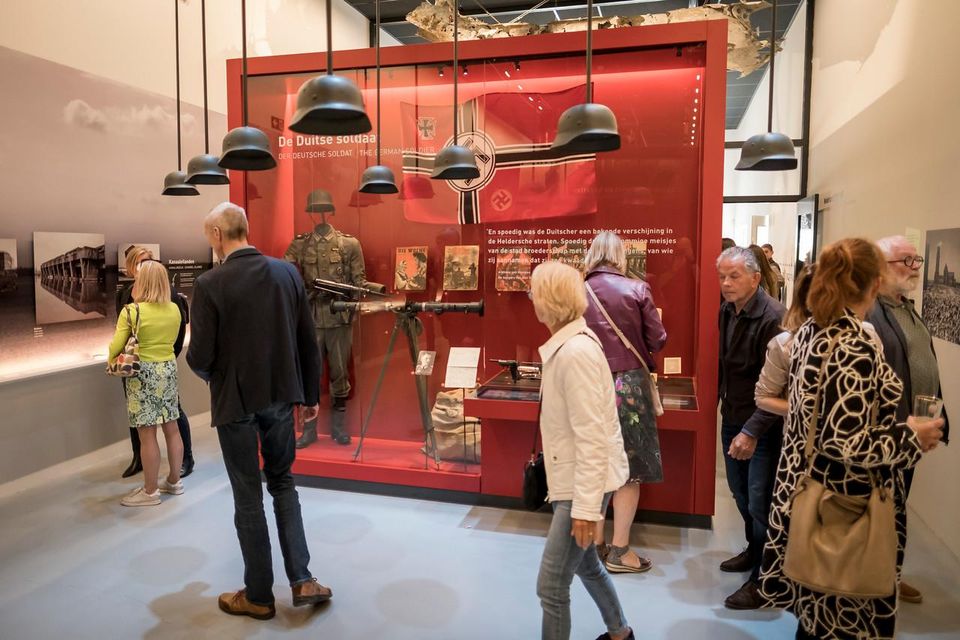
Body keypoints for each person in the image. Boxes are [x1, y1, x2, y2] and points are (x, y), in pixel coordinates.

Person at [758, 238, 944, 640]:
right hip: (844, 510)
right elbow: (845, 442)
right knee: (841, 621)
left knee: (816, 620)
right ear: (876, 282)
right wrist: (911, 437)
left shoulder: (813, 331)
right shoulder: (852, 344)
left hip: (811, 496)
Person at [187, 202, 331, 620]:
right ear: (244, 229)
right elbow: (307, 340)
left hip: (235, 402)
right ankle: (302, 579)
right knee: (283, 482)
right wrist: (309, 395)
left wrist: (217, 377)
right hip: (281, 396)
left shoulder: (210, 283)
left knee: (247, 494)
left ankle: (258, 596)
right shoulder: (287, 273)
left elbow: (200, 356)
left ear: (217, 235)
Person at [531, 260, 634, 640]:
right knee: (586, 565)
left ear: (547, 300)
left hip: (581, 486)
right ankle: (620, 633)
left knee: (551, 586)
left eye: (534, 291)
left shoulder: (574, 353)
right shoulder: (570, 346)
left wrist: (587, 509)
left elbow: (593, 437)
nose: (531, 298)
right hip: (574, 479)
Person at [866, 235, 951, 604]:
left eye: (916, 260)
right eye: (905, 260)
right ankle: (873, 582)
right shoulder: (869, 314)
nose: (914, 268)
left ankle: (889, 576)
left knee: (897, 508)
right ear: (880, 267)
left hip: (912, 431)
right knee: (882, 510)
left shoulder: (907, 308)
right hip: (887, 433)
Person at [581, 231, 667, 573]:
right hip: (628, 384)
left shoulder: (577, 290)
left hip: (588, 383)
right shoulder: (637, 289)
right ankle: (620, 552)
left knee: (596, 465)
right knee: (628, 469)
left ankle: (595, 545)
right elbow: (658, 339)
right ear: (620, 255)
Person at [716, 246, 786, 609]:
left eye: (734, 276)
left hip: (761, 426)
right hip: (733, 416)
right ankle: (754, 550)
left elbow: (779, 387)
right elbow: (724, 364)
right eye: (722, 277)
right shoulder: (727, 310)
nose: (726, 284)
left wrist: (752, 431)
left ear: (756, 278)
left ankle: (766, 579)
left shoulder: (774, 318)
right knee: (740, 493)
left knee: (761, 500)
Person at [753, 265, 884, 418]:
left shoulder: (866, 333)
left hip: (857, 429)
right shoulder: (786, 344)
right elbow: (763, 397)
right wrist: (814, 412)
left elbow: (880, 386)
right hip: (806, 430)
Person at [108, 260, 184, 506]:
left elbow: (116, 346)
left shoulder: (131, 311)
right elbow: (175, 341)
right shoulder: (175, 309)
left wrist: (111, 359)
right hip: (168, 369)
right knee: (172, 428)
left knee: (147, 434)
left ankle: (150, 492)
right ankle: (174, 481)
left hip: (142, 373)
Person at [116, 246, 195, 479]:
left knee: (173, 414)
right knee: (137, 415)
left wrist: (165, 356)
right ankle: (139, 458)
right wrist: (125, 358)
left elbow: (178, 334)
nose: (146, 266)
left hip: (160, 363)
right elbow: (121, 331)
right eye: (140, 262)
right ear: (131, 267)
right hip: (132, 364)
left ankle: (186, 459)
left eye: (149, 260)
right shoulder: (124, 294)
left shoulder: (169, 294)